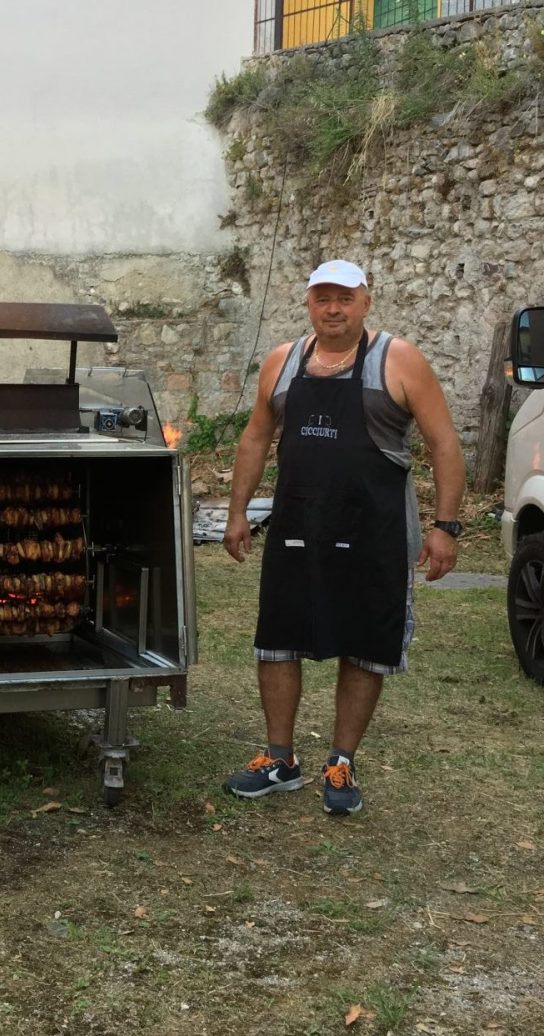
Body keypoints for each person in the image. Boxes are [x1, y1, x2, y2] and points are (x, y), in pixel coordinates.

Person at [221, 259, 464, 816]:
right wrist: (236, 512)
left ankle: (342, 762)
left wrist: (445, 527)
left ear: (365, 302)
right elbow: (255, 440)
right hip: (297, 526)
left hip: (374, 529)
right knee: (278, 637)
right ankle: (279, 758)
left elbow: (445, 444)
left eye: (344, 299)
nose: (333, 309)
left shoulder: (397, 360)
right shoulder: (283, 362)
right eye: (322, 299)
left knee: (363, 642)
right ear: (309, 303)